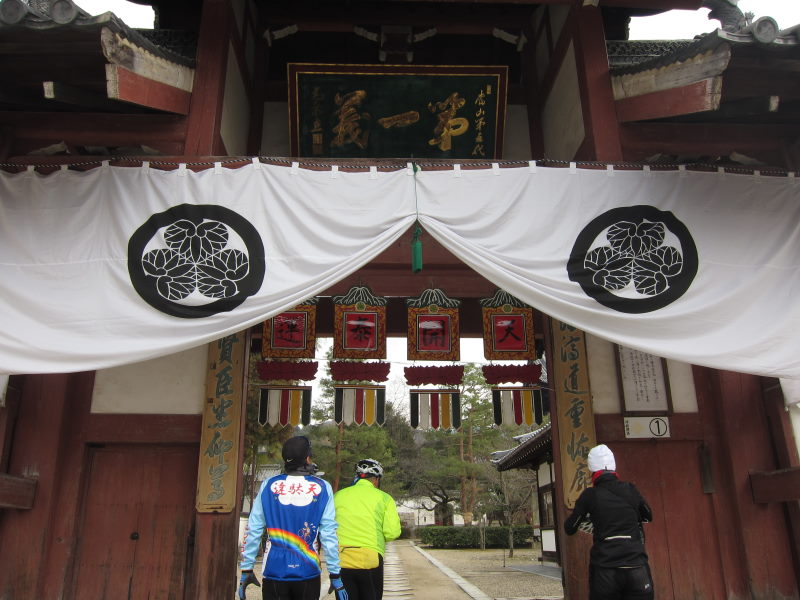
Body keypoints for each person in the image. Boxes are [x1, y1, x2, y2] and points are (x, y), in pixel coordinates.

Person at [238, 436, 348, 600]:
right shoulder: (323, 487)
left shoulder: (268, 485)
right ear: (307, 458)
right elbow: (328, 533)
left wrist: (246, 569)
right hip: (308, 570)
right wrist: (335, 574)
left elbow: (254, 529)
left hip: (274, 570)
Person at [564, 444, 654, 600]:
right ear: (613, 467)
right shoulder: (630, 489)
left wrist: (591, 518)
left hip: (606, 570)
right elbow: (648, 515)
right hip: (636, 566)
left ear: (592, 470)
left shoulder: (590, 495)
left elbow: (570, 527)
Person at [333, 459, 401, 600]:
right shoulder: (384, 498)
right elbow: (392, 532)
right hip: (371, 559)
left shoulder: (338, 496)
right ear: (376, 479)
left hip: (342, 559)